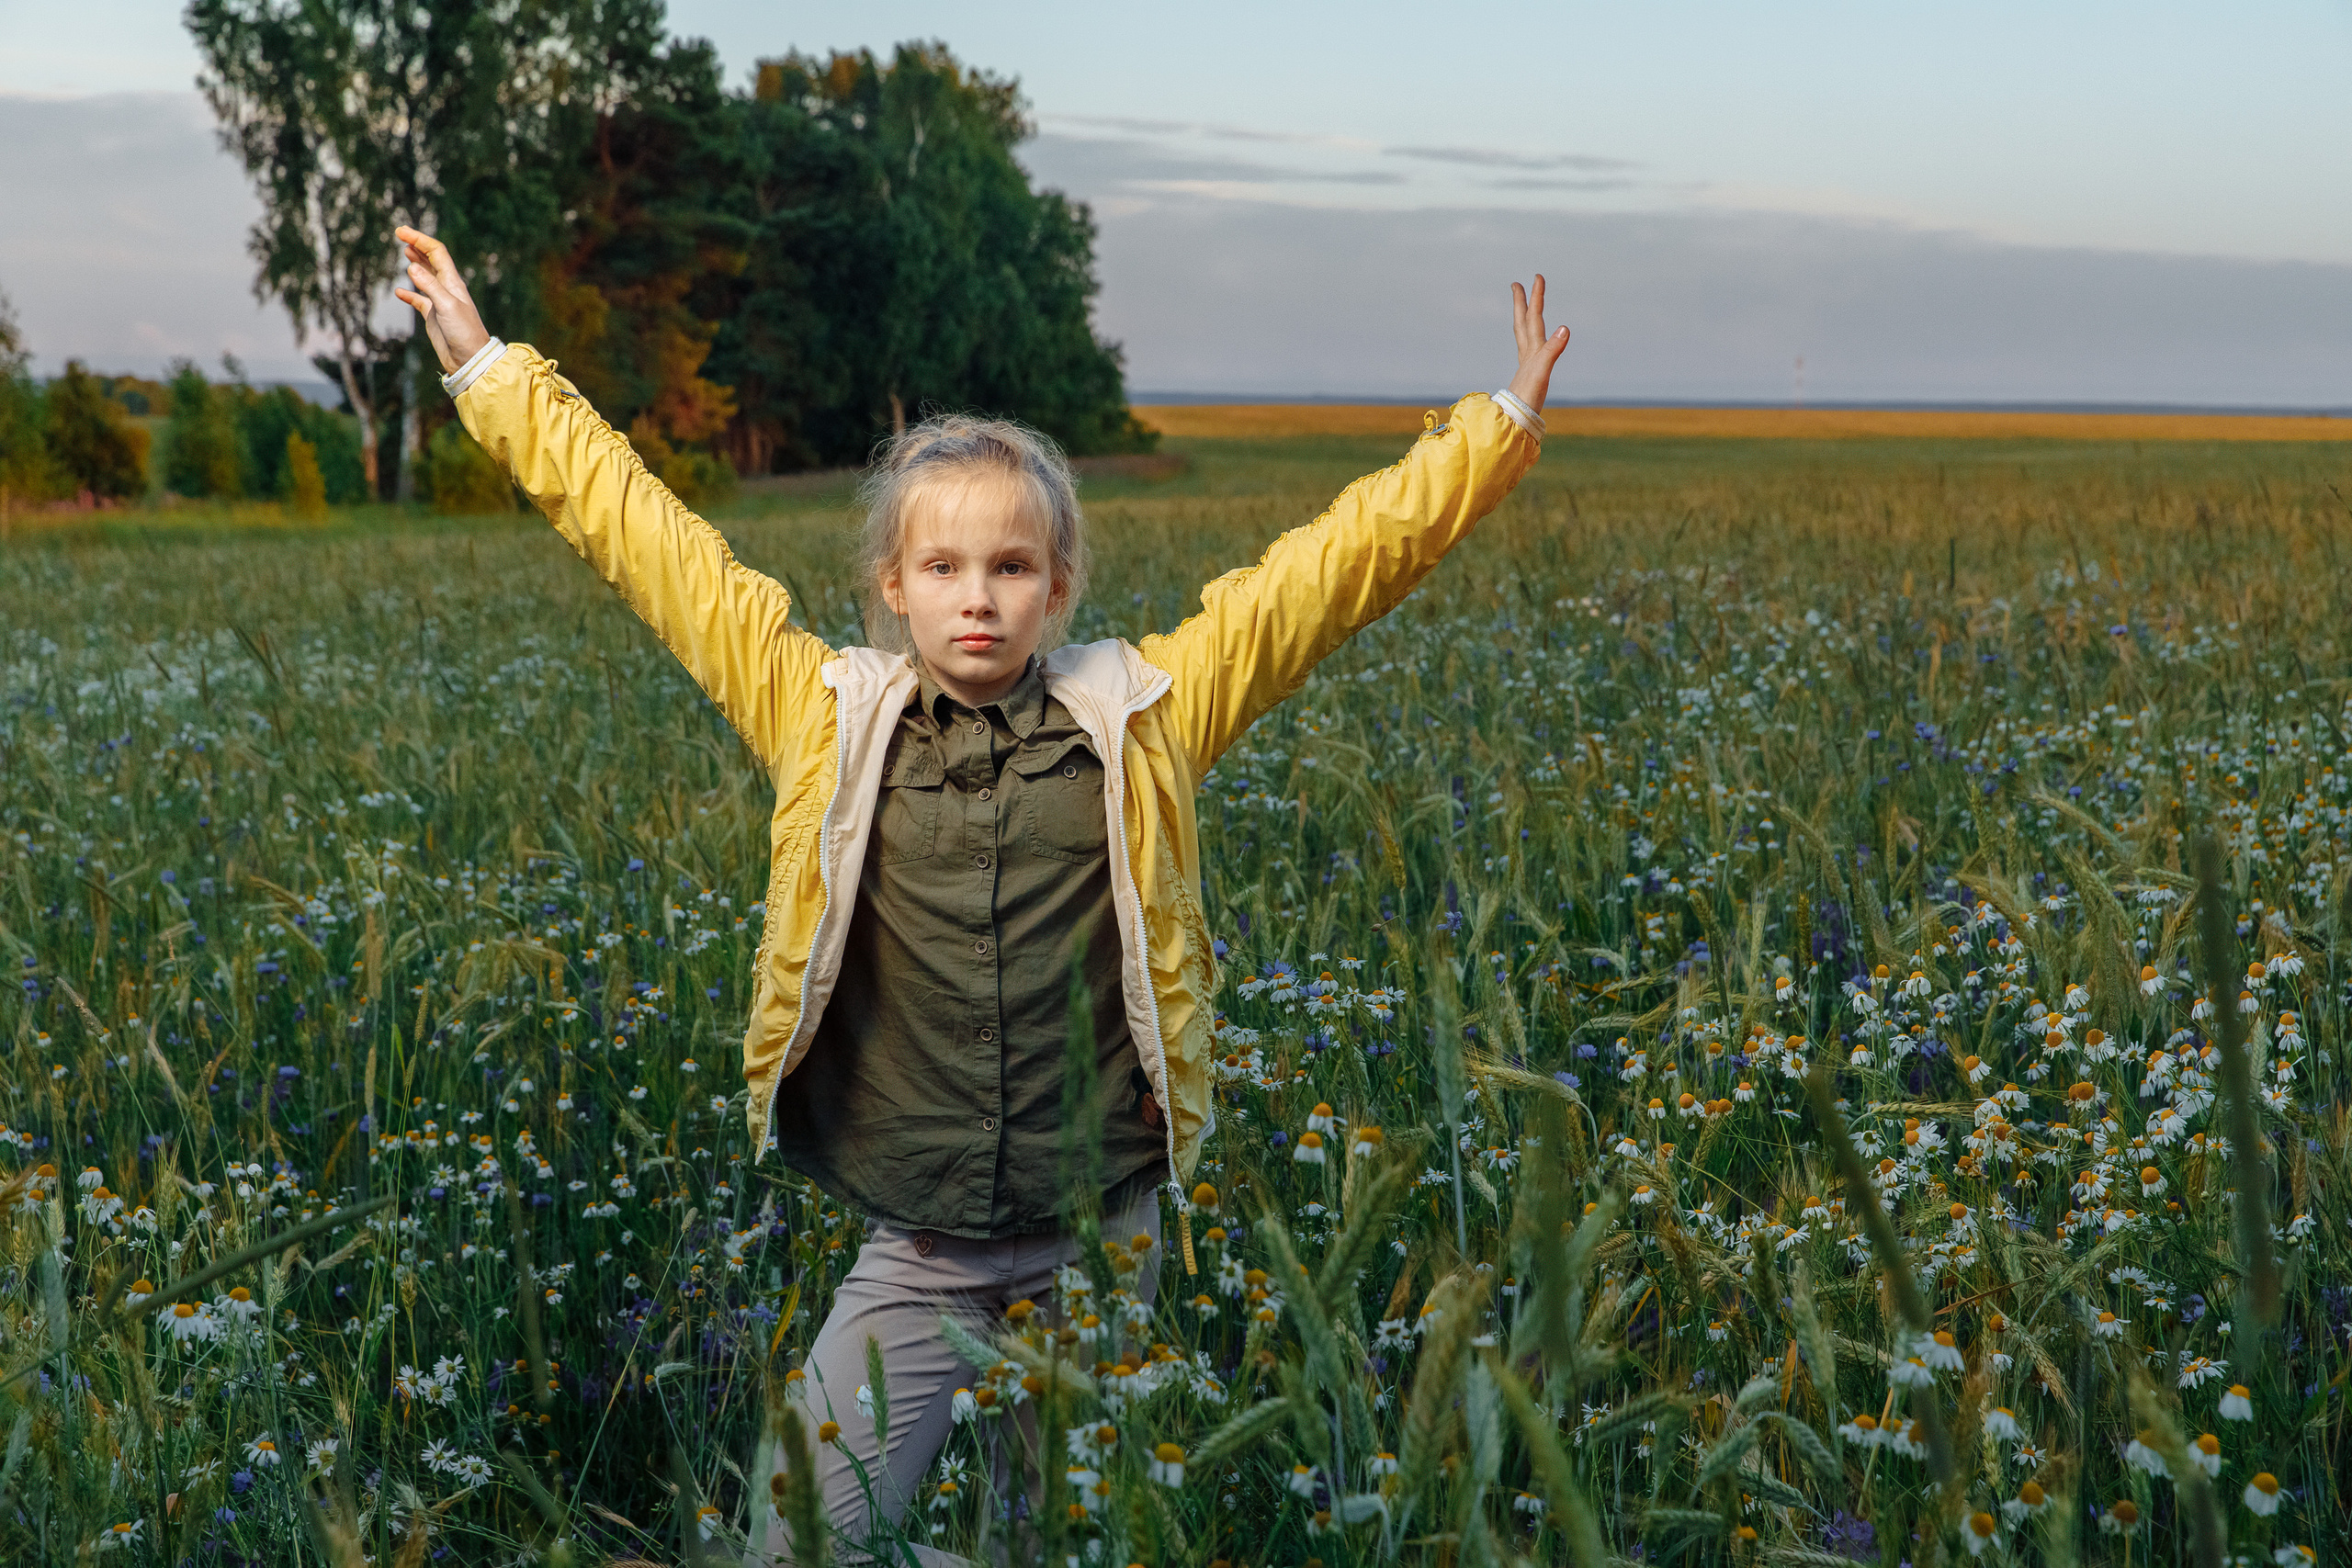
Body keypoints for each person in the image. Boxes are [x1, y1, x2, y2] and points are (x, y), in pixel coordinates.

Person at [393, 223, 1568, 1562]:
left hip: (1098, 1243)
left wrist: (1501, 422)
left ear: (1060, 586)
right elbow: (647, 541)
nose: (978, 601)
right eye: (942, 569)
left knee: (1065, 1547)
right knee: (795, 1547)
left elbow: (1333, 571)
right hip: (920, 1246)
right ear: (891, 587)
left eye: (1012, 568)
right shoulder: (820, 717)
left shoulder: (1146, 719)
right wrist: (487, 368)